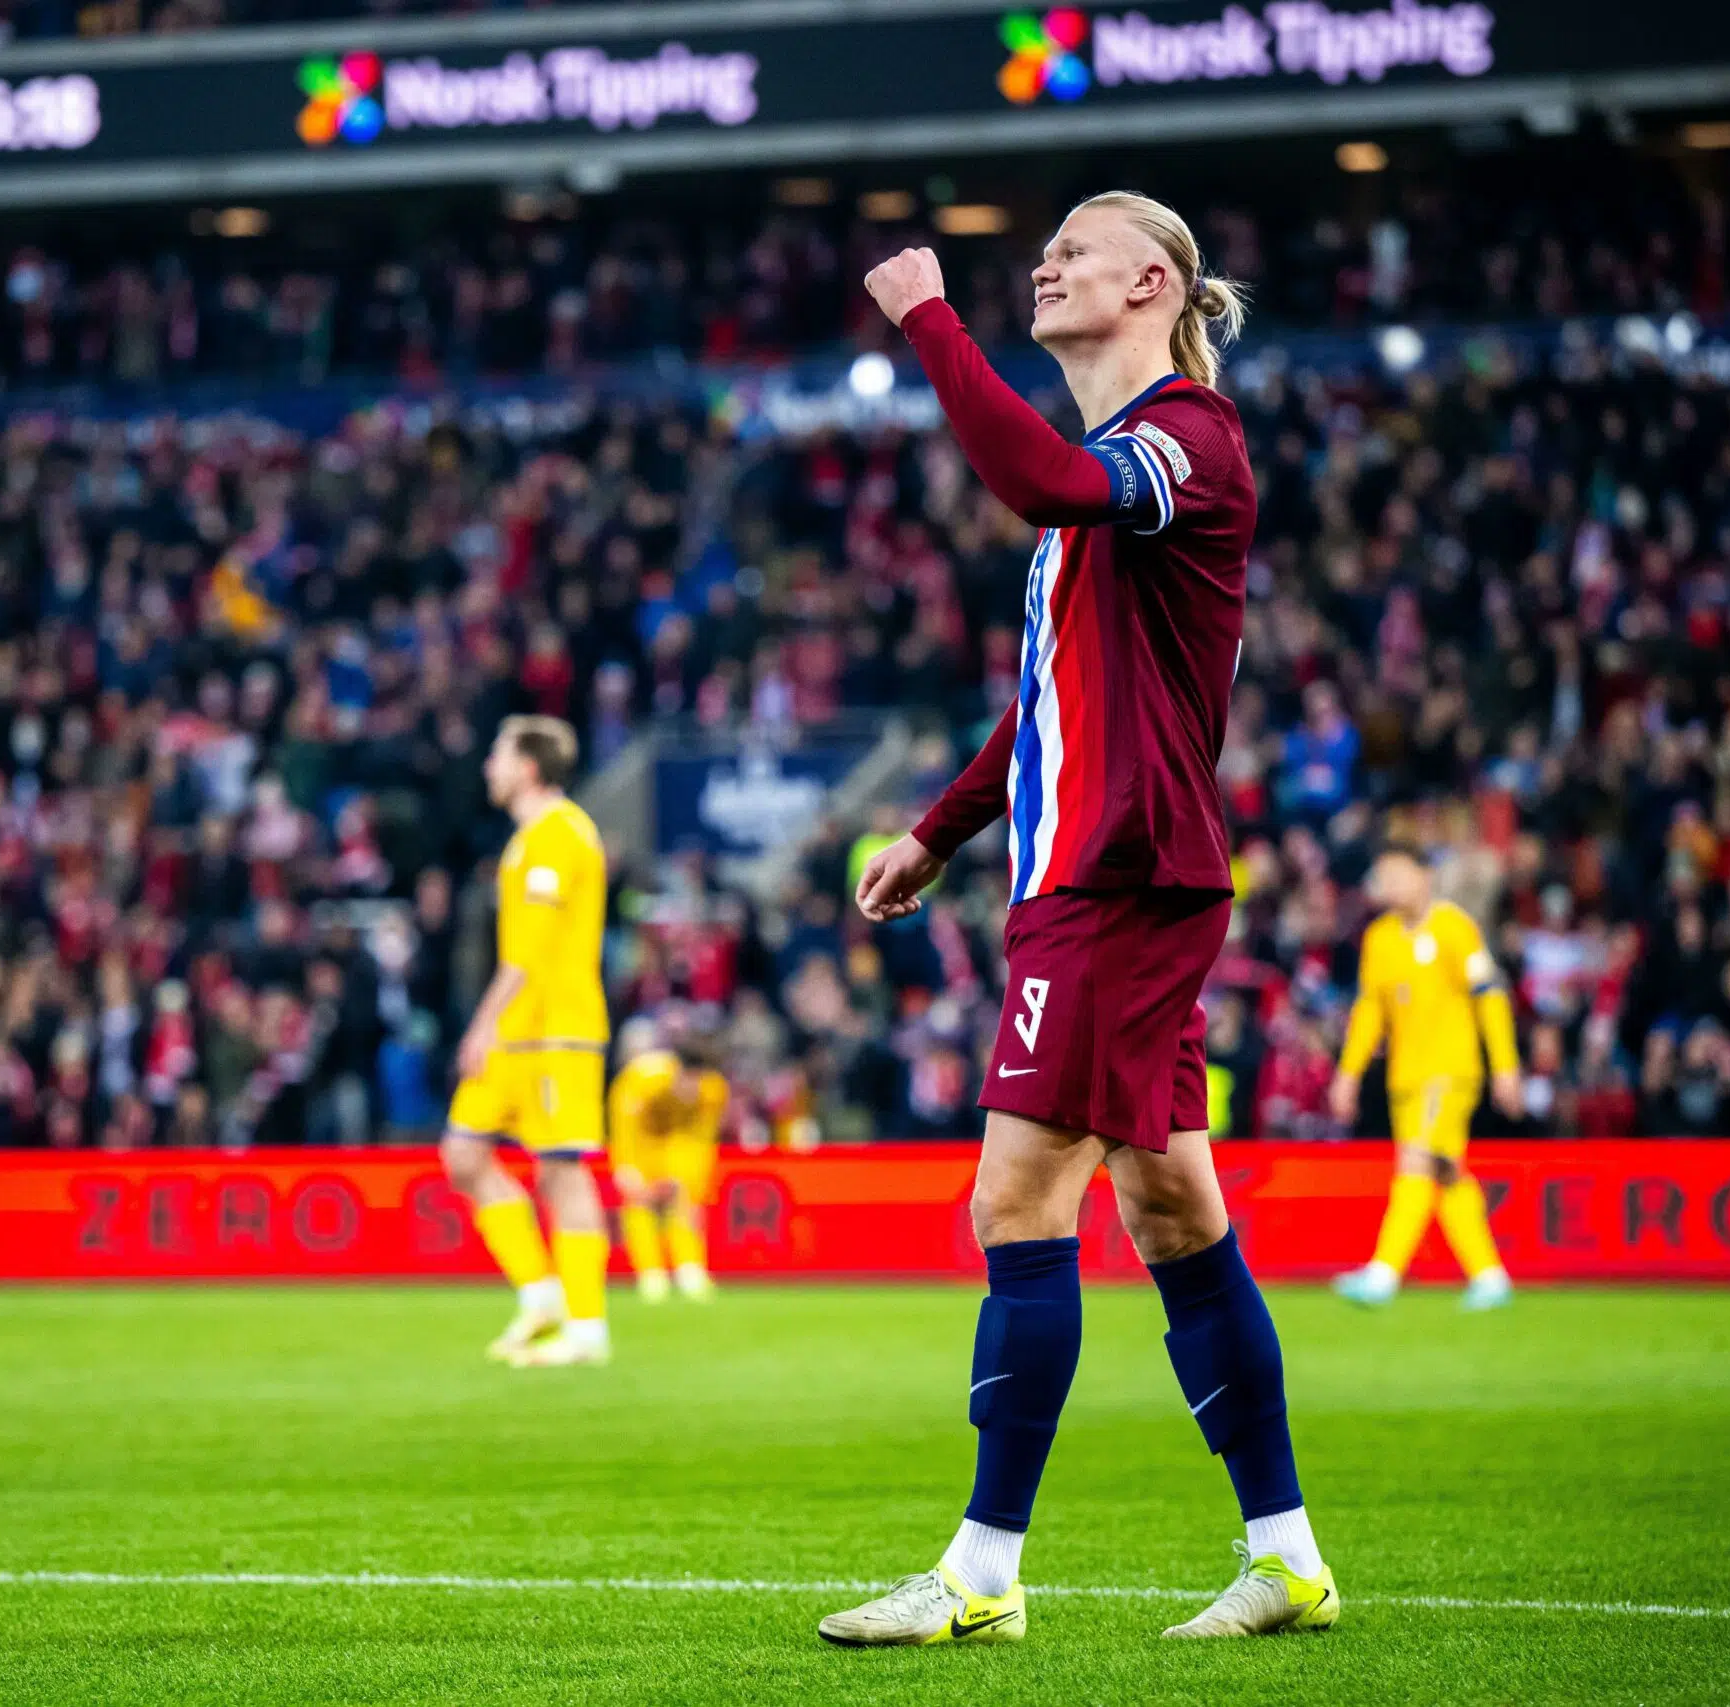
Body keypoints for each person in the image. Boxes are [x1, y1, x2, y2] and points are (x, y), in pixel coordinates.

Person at [825, 195, 1337, 1647]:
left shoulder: (1187, 440)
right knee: (1174, 1205)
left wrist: (931, 317)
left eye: (1072, 247)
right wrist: (937, 830)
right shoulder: (1114, 472)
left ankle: (984, 1569)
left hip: (1118, 879)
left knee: (1013, 1201)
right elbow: (1049, 694)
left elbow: (1040, 480)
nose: (1042, 264)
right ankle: (1288, 1552)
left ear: (1153, 282)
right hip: (1088, 873)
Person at [438, 715, 614, 1368]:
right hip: (520, 1032)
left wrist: (482, 1021)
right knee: (463, 1153)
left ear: (529, 767)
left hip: (556, 1031)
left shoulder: (559, 835)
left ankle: (588, 1329)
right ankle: (541, 1295)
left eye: (498, 753)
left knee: (561, 1169)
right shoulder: (527, 839)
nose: (489, 764)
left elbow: (530, 953)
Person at [1328, 847, 1525, 1310]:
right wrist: (1348, 1074)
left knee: (1415, 1161)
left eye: (1399, 873)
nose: (1390, 884)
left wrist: (1506, 1066)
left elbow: (1489, 996)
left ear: (1424, 877)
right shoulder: (1379, 938)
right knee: (1445, 1169)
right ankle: (1489, 1275)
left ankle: (1384, 1273)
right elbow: (1369, 1012)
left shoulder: (1454, 928)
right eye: (1384, 874)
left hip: (1450, 1070)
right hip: (1406, 1077)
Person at [607, 1032, 728, 1303]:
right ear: (678, 1069)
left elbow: (700, 1138)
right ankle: (651, 1275)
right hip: (643, 1141)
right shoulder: (642, 1079)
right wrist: (627, 1167)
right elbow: (625, 1126)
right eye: (689, 1080)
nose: (693, 1089)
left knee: (685, 1201)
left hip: (678, 1143)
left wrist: (688, 1176)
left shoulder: (713, 1090)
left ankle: (690, 1270)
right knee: (638, 1202)